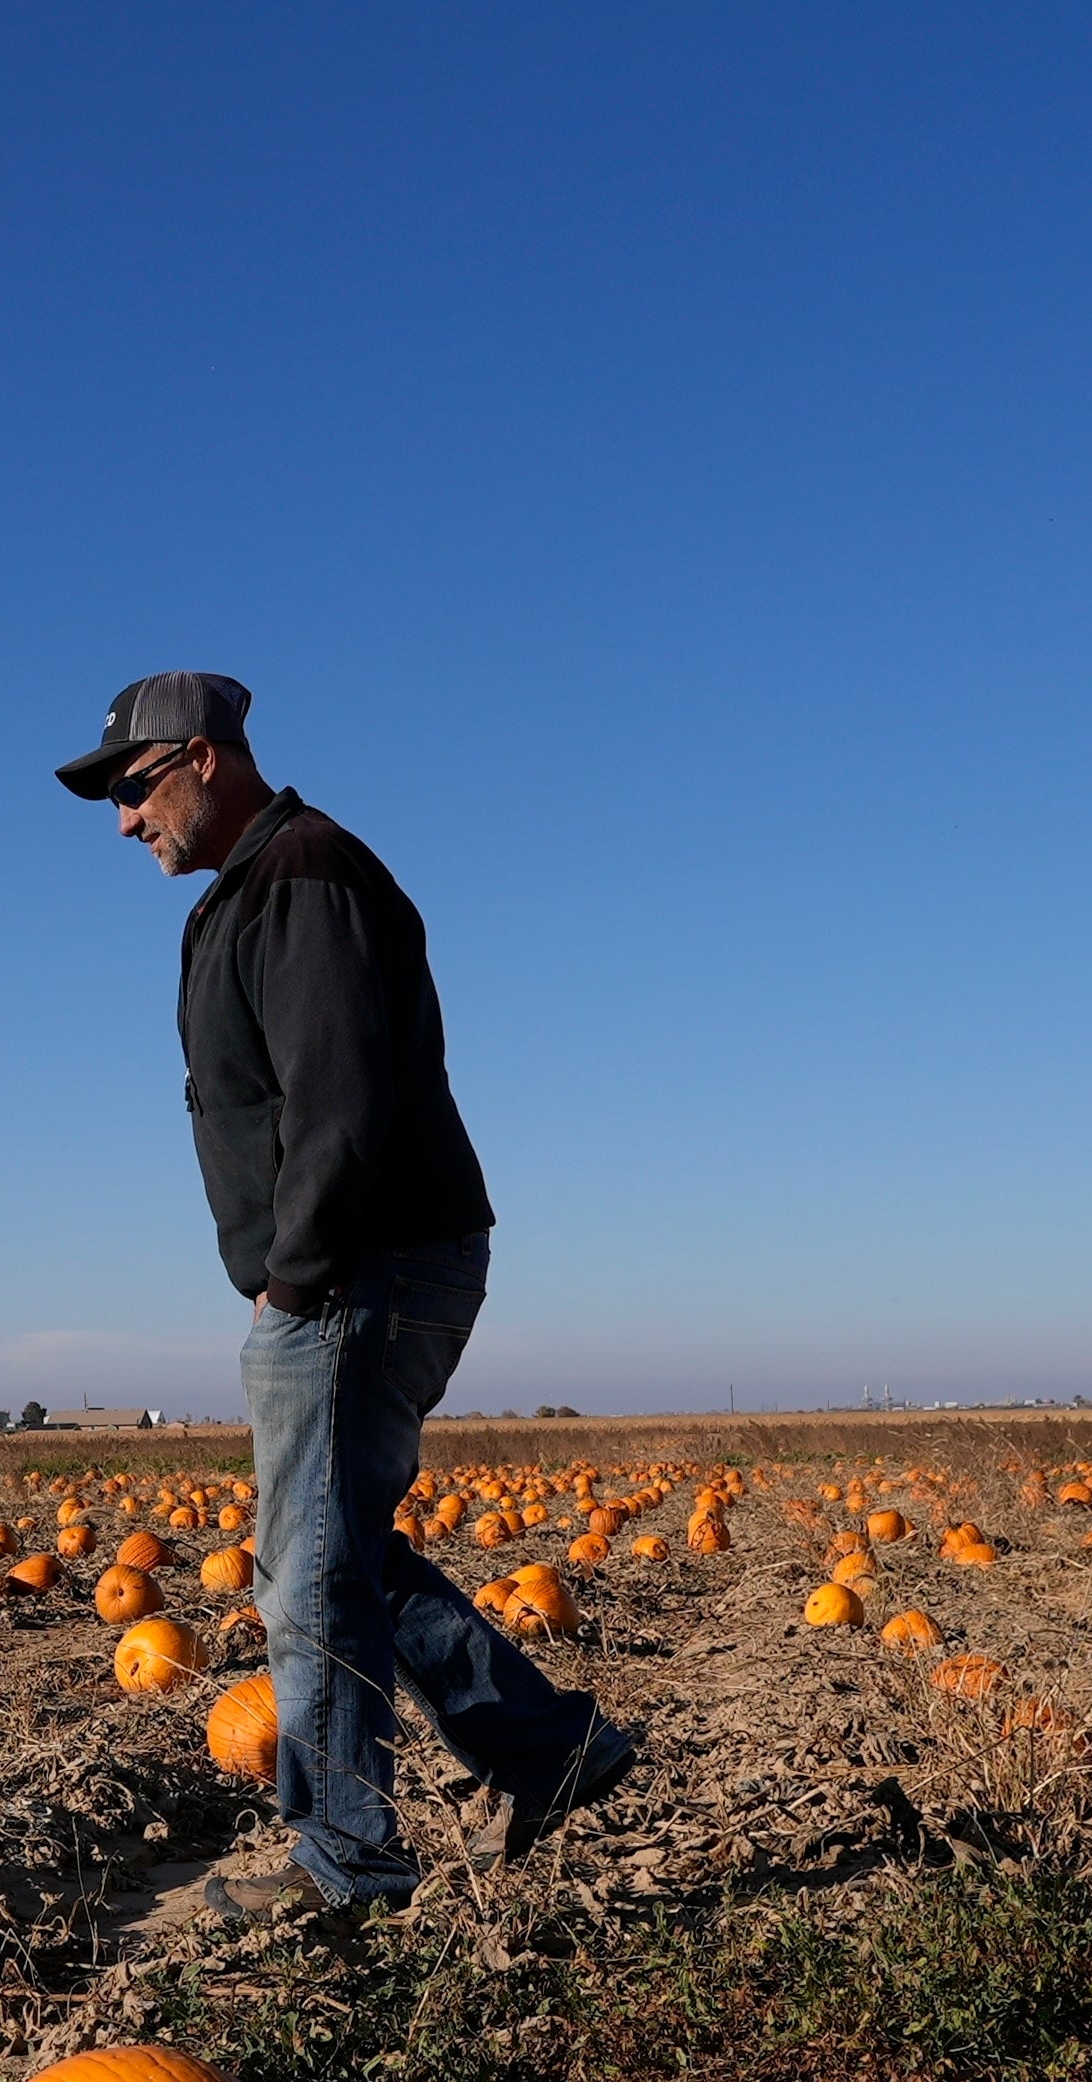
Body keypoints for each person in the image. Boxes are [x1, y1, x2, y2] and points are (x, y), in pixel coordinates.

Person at [55, 672, 635, 1923]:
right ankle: (548, 1751)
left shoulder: (305, 877)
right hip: (360, 1263)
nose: (118, 819)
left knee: (308, 1573)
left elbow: (343, 1096)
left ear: (204, 760)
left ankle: (347, 1870)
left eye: (131, 786)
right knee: (339, 1546)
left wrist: (294, 1274)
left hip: (360, 1268)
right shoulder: (254, 887)